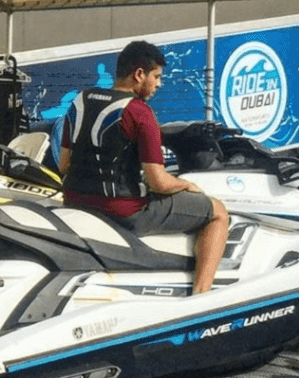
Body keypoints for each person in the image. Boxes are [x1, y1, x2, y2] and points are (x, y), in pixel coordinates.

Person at [58, 40, 229, 295]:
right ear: (139, 74)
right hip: (125, 213)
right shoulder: (140, 113)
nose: (159, 84)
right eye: (157, 76)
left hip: (75, 203)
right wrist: (187, 185)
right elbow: (158, 182)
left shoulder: (80, 102)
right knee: (218, 212)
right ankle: (202, 296)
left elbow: (64, 165)